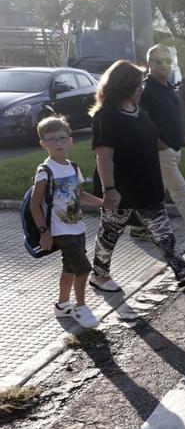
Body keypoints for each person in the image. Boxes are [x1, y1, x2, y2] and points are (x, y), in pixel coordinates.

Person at [89, 60, 185, 292]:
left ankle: (183, 272)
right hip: (120, 188)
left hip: (146, 184)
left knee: (163, 232)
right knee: (110, 233)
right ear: (123, 85)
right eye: (138, 83)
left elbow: (152, 139)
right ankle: (99, 275)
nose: (142, 87)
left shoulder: (138, 111)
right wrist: (109, 189)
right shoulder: (106, 115)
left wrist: (171, 151)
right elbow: (103, 156)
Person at [130, 44, 185, 246]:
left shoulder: (166, 86)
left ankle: (138, 227)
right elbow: (142, 120)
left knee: (154, 194)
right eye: (159, 61)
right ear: (150, 64)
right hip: (162, 152)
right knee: (180, 192)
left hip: (173, 150)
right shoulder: (147, 89)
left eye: (168, 61)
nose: (165, 65)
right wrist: (161, 145)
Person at [30, 116, 104, 328]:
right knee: (83, 268)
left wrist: (102, 203)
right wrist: (44, 232)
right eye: (51, 139)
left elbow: (79, 195)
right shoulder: (45, 171)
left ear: (71, 141)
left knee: (70, 268)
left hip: (76, 225)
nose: (58, 142)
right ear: (43, 144)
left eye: (62, 138)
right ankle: (81, 307)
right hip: (58, 229)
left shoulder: (73, 167)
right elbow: (35, 205)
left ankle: (62, 305)